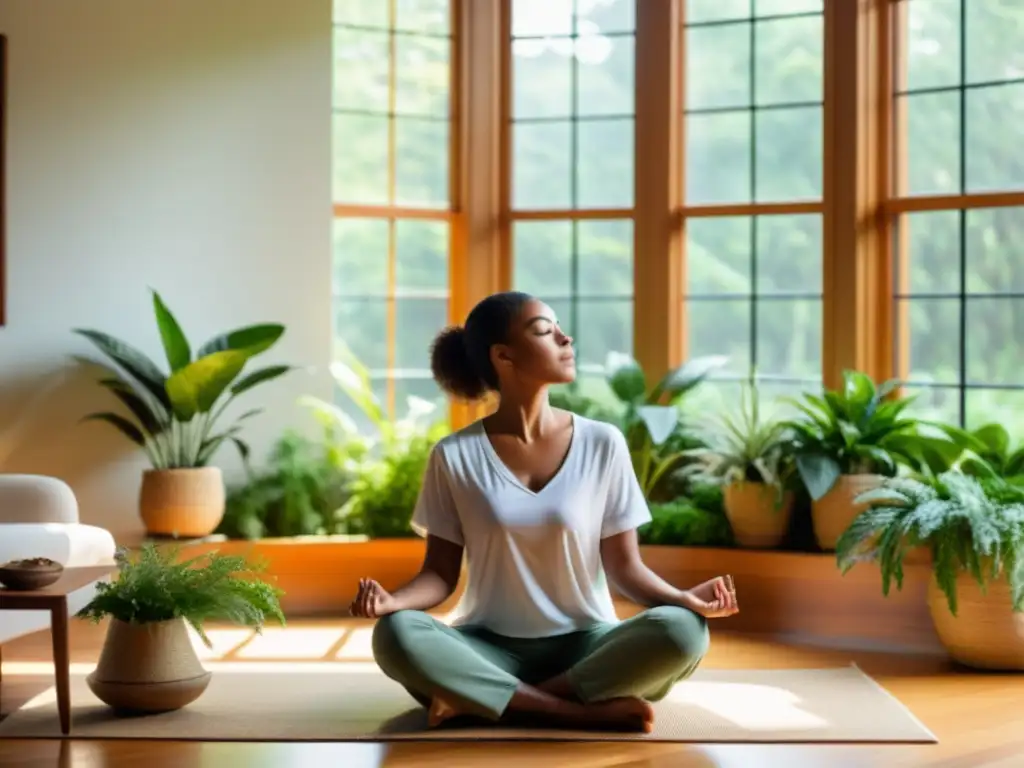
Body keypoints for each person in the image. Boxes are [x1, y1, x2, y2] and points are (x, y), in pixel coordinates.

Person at [350, 291, 739, 733]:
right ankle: (573, 711)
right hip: (486, 647)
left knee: (683, 631)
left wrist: (683, 600)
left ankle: (480, 701)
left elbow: (625, 568)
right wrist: (392, 602)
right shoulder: (453, 455)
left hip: (587, 646)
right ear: (503, 356)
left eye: (558, 328)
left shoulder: (603, 443)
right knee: (396, 635)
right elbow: (440, 574)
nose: (565, 337)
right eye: (544, 330)